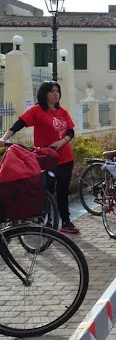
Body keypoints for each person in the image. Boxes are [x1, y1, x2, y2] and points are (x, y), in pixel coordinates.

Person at [0, 81, 78, 233]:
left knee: (63, 190)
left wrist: (61, 142)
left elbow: (71, 132)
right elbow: (19, 124)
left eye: (57, 91)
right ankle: (46, 221)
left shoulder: (62, 111)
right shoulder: (37, 111)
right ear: (44, 94)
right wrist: (4, 138)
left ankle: (66, 222)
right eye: (52, 91)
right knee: (46, 190)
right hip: (46, 158)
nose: (56, 94)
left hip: (65, 158)